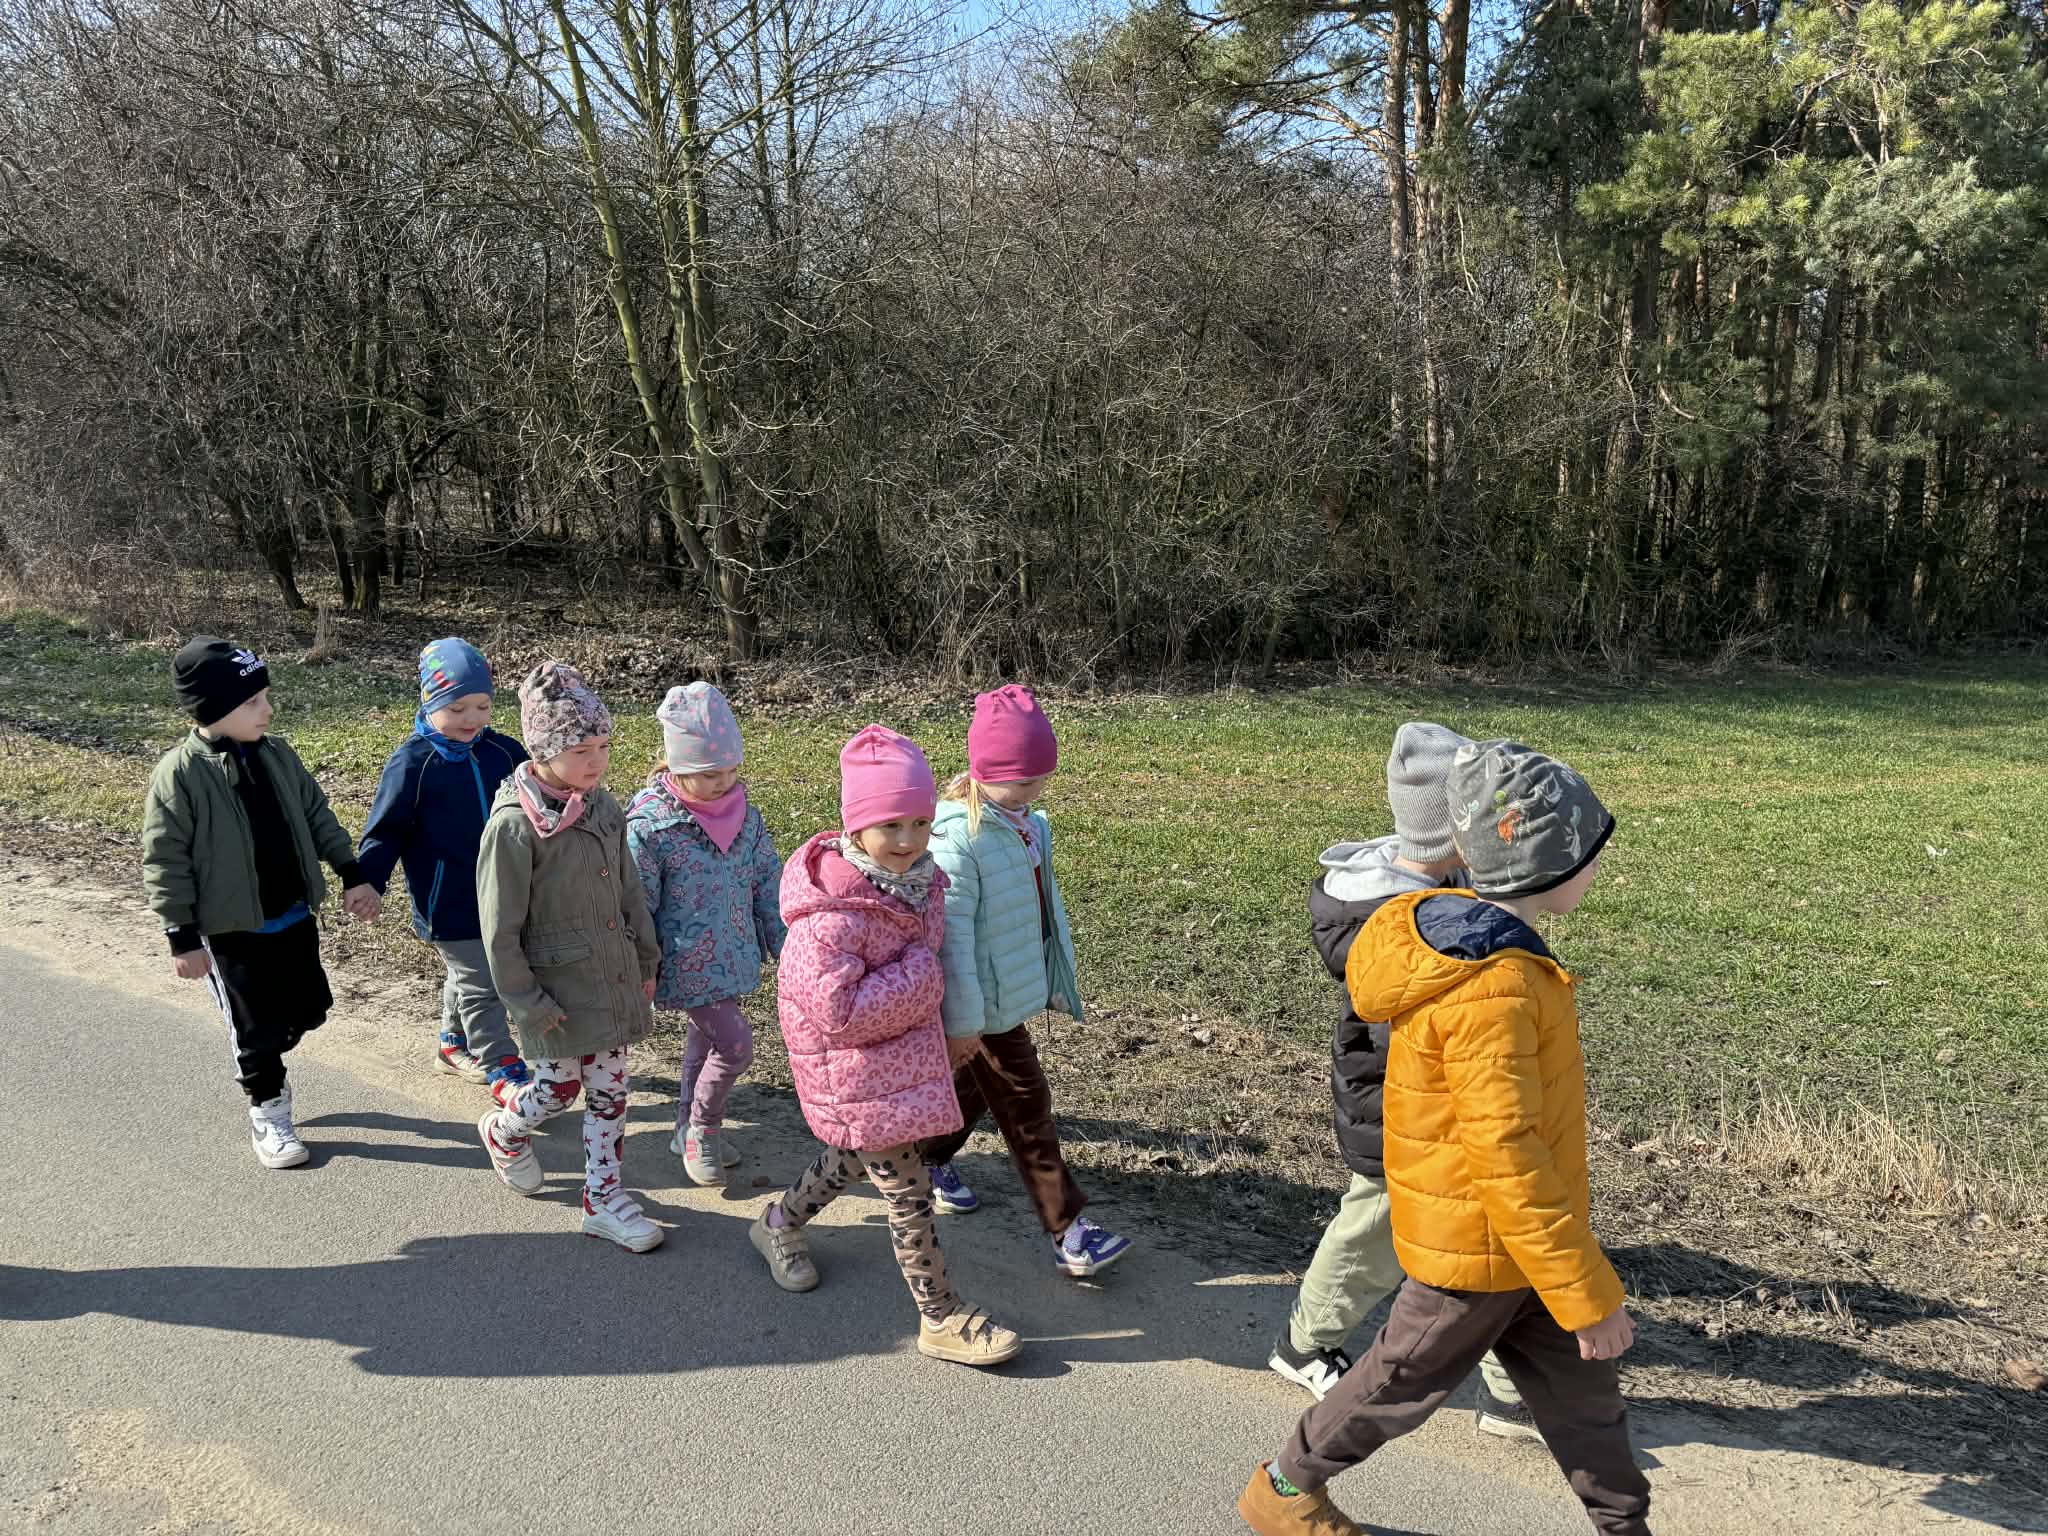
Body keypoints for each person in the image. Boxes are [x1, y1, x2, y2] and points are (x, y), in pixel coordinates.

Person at [1239, 740, 1651, 1536]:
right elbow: (1507, 1154)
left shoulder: (1494, 956)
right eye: (1590, 850)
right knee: (1396, 1383)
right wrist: (1586, 1293)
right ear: (1543, 863)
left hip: (1527, 1247)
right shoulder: (1494, 986)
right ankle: (1284, 1489)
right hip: (1476, 1252)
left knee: (1588, 1407)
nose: (1600, 864)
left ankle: (1626, 1525)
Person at [1270, 722, 1536, 1442]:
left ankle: (1512, 1392)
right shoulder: (1396, 919)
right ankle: (1304, 1344)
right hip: (1397, 1104)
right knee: (1378, 1229)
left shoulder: (1440, 887)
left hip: (1446, 1105)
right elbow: (1420, 1031)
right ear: (1454, 828)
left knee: (1488, 1231)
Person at [749, 725, 1021, 1368]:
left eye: (921, 823)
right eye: (891, 825)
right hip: (854, 1072)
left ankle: (778, 1223)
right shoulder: (831, 914)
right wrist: (923, 976)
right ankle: (940, 1315)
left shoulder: (919, 882)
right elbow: (838, 1013)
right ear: (856, 825)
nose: (908, 839)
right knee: (909, 1195)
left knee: (851, 1159)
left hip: (898, 1066)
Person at [141, 636, 380, 1168]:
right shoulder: (179, 774)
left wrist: (352, 874)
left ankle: (269, 1052)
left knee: (309, 1010)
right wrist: (181, 936)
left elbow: (317, 815)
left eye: (266, 696)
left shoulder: (277, 754)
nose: (267, 709)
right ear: (213, 709)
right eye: (252, 701)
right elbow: (164, 859)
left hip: (292, 913)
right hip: (230, 932)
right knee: (255, 1031)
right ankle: (268, 1106)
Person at [916, 685, 1131, 1277]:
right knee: (1028, 1106)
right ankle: (1067, 1232)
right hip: (981, 1004)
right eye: (1025, 780)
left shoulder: (1029, 824)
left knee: (974, 1087)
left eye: (1042, 778)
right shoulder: (958, 838)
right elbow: (952, 944)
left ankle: (922, 1159)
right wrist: (962, 1024)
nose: (1037, 790)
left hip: (1008, 992)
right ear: (987, 773)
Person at [474, 661, 664, 1253]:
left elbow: (630, 889)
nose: (596, 761)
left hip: (609, 977)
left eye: (603, 746)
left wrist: (647, 960)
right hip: (553, 992)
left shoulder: (603, 807)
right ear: (543, 750)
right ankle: (505, 1131)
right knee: (558, 1090)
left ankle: (602, 1198)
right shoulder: (514, 827)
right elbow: (499, 931)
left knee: (610, 1091)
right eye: (581, 750)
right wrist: (527, 1003)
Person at [626, 681, 785, 1185]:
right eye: (710, 774)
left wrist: (786, 945)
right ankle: (703, 1130)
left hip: (732, 954)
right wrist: (641, 965)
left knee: (705, 1041)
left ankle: (682, 1128)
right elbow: (635, 905)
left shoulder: (746, 818)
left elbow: (767, 880)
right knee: (735, 1046)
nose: (724, 783)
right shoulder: (651, 827)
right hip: (683, 961)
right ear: (677, 767)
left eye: (731, 770)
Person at [355, 637, 529, 1090]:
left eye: (482, 706)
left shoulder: (504, 753)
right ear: (429, 703)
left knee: (470, 973)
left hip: (504, 892)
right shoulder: (413, 763)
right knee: (483, 981)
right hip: (447, 900)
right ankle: (502, 1065)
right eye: (456, 708)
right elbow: (385, 830)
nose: (471, 718)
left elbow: (540, 799)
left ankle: (452, 1044)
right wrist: (368, 881)